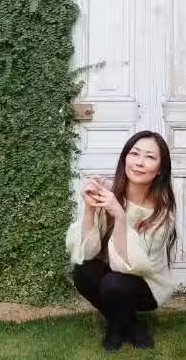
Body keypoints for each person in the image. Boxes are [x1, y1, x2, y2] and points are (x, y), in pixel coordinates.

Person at [65, 130, 177, 352]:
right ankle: (126, 324)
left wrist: (120, 215)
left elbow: (133, 266)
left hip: (146, 285)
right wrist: (90, 209)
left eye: (150, 157)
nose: (139, 162)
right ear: (125, 158)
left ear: (160, 170)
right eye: (134, 154)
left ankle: (121, 326)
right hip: (113, 277)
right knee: (84, 272)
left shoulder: (161, 215)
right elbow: (86, 253)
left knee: (114, 284)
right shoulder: (110, 193)